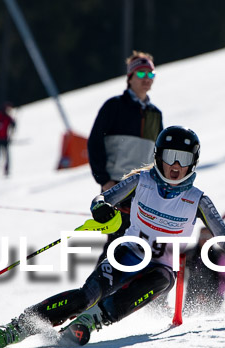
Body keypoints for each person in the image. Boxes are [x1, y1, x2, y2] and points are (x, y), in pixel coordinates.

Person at [0, 126, 225, 348]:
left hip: (159, 265)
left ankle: (91, 321)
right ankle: (12, 330)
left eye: (183, 159)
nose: (175, 165)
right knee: (85, 296)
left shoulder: (197, 200)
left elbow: (223, 234)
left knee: (163, 279)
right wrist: (100, 207)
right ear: (158, 156)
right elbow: (104, 198)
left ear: (192, 163)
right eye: (170, 156)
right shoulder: (142, 181)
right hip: (126, 254)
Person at [87, 51, 164, 260]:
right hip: (117, 186)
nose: (146, 78)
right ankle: (97, 289)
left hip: (145, 188)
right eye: (140, 73)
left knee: (144, 244)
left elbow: (159, 155)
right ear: (130, 77)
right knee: (117, 243)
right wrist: (104, 180)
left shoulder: (154, 114)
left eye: (150, 74)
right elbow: (94, 143)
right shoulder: (114, 106)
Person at [0, 102, 16, 178]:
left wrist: (14, 124)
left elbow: (13, 126)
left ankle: (6, 171)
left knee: (7, 156)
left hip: (5, 138)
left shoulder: (8, 117)